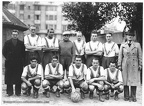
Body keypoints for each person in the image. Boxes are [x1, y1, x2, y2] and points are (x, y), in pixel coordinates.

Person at [118, 30, 142, 102]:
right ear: (126, 36)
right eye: (128, 35)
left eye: (131, 36)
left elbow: (139, 55)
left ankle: (133, 96)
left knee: (134, 80)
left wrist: (140, 64)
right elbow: (120, 56)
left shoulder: (137, 45)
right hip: (125, 64)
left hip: (134, 64)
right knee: (125, 80)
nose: (130, 37)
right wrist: (119, 65)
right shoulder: (123, 45)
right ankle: (126, 96)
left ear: (133, 37)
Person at [2, 29, 25, 96]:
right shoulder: (7, 43)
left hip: (18, 63)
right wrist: (8, 58)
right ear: (11, 35)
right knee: (9, 77)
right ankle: (10, 92)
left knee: (18, 77)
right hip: (9, 63)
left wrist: (21, 61)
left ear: (18, 35)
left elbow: (23, 53)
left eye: (16, 35)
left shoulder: (21, 43)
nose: (15, 36)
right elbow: (4, 52)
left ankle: (18, 92)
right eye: (13, 34)